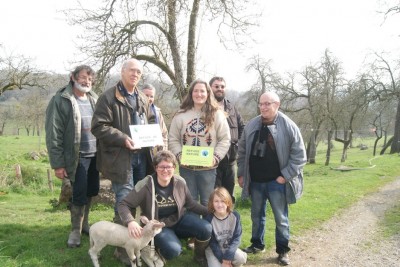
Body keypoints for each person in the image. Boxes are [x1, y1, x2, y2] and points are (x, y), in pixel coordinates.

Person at [91, 58, 154, 264]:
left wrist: (153, 138)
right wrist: (123, 138)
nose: (135, 74)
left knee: (139, 199)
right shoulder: (108, 97)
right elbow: (99, 126)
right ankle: (121, 249)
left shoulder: (142, 99)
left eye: (139, 72)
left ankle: (136, 244)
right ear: (122, 72)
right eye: (132, 71)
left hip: (141, 158)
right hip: (120, 158)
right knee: (124, 200)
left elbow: (149, 122)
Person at [237, 91, 307, 266]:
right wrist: (241, 173)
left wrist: (285, 176)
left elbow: (299, 156)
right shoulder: (252, 125)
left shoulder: (289, 126)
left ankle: (282, 250)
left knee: (280, 218)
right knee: (256, 215)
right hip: (256, 182)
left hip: (277, 182)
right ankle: (257, 244)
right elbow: (242, 151)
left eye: (268, 104)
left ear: (278, 104)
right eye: (261, 104)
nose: (263, 107)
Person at [118, 150, 212, 266]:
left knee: (206, 228)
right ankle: (152, 248)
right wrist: (130, 221)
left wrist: (211, 211)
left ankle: (199, 256)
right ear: (155, 167)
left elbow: (191, 204)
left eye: (169, 167)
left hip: (179, 219)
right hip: (157, 225)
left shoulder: (180, 182)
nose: (165, 170)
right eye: (161, 167)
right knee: (174, 250)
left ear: (174, 167)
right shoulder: (146, 184)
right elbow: (123, 204)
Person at [45, 65, 99, 248]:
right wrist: (58, 164)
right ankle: (75, 230)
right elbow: (54, 133)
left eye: (90, 79)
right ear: (73, 77)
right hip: (77, 157)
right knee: (79, 193)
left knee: (91, 190)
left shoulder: (94, 99)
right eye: (83, 77)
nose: (87, 82)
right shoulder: (61, 100)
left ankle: (85, 224)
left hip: (95, 155)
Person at [168, 78, 231, 207]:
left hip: (208, 169)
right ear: (191, 93)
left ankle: (207, 228)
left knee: (207, 203)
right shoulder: (181, 114)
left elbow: (225, 139)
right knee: (190, 203)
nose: (199, 94)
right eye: (195, 91)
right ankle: (193, 227)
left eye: (202, 91)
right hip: (186, 168)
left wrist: (216, 157)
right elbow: (173, 138)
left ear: (208, 93)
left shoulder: (217, 114)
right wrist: (179, 155)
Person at [209, 77, 245, 202]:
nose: (220, 89)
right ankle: (212, 221)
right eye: (216, 86)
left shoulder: (231, 108)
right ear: (210, 88)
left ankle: (228, 220)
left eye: (222, 86)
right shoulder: (205, 107)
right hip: (212, 161)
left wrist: (238, 145)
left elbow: (242, 128)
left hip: (230, 161)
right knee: (213, 196)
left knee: (228, 196)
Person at [205, 187, 247, 267]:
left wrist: (228, 257)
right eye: (216, 201)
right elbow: (212, 243)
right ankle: (209, 259)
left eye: (223, 201)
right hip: (214, 250)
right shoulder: (209, 219)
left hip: (229, 247)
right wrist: (223, 261)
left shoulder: (235, 216)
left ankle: (232, 261)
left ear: (228, 202)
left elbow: (237, 238)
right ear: (212, 203)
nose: (220, 204)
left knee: (241, 259)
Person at [141, 83, 168, 174]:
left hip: (154, 154)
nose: (149, 99)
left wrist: (163, 151)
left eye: (151, 96)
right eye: (146, 95)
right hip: (140, 154)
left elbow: (164, 133)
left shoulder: (157, 112)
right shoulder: (134, 110)